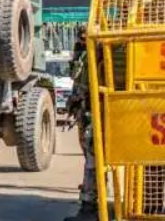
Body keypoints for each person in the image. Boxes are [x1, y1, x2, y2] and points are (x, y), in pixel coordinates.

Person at [65, 29, 98, 221]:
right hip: (86, 109)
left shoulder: (94, 54)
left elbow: (80, 78)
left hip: (94, 111)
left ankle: (90, 206)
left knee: (92, 159)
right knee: (90, 156)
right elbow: (75, 77)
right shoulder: (85, 54)